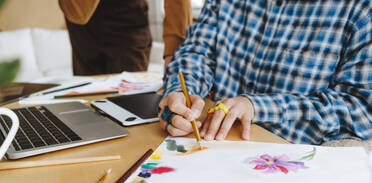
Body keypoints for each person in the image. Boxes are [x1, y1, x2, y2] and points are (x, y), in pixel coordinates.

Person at [159, 0, 372, 145]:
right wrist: (181, 92)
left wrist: (258, 106)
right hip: (209, 147)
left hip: (291, 168)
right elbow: (197, 51)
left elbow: (362, 110)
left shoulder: (361, 9)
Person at [58, 0, 192, 75]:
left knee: (131, 101)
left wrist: (176, 48)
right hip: (79, 17)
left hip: (129, 18)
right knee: (84, 104)